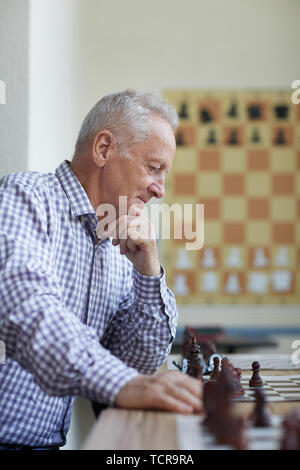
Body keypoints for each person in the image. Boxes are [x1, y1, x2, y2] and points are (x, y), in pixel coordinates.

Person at [0, 90, 202, 450]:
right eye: (154, 168)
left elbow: (137, 359)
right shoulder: (26, 197)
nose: (160, 190)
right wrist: (123, 385)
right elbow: (28, 309)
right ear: (104, 149)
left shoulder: (117, 237)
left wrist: (148, 270)